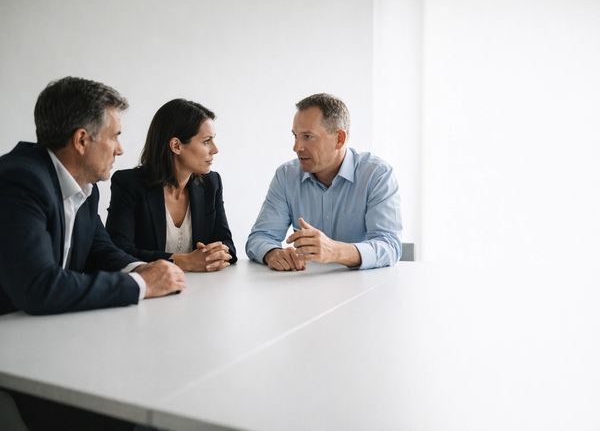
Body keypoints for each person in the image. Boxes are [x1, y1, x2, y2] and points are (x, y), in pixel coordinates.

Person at [0, 77, 185, 430]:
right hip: (14, 352)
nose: (120, 149)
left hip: (48, 338)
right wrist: (142, 285)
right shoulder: (19, 181)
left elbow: (99, 248)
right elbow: (38, 287)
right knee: (132, 411)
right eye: (115, 135)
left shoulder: (84, 185)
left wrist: (146, 267)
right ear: (82, 140)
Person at [246, 93, 402, 271]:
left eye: (307, 137)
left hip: (364, 287)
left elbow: (390, 246)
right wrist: (273, 253)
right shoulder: (286, 176)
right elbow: (260, 237)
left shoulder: (377, 174)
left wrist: (336, 252)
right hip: (306, 287)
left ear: (339, 139)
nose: (296, 147)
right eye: (295, 136)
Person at [106, 99, 236, 272]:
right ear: (176, 146)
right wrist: (181, 261)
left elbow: (227, 244)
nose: (215, 149)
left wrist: (218, 253)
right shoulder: (129, 184)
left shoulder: (211, 183)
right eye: (206, 141)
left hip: (203, 289)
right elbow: (118, 252)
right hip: (148, 291)